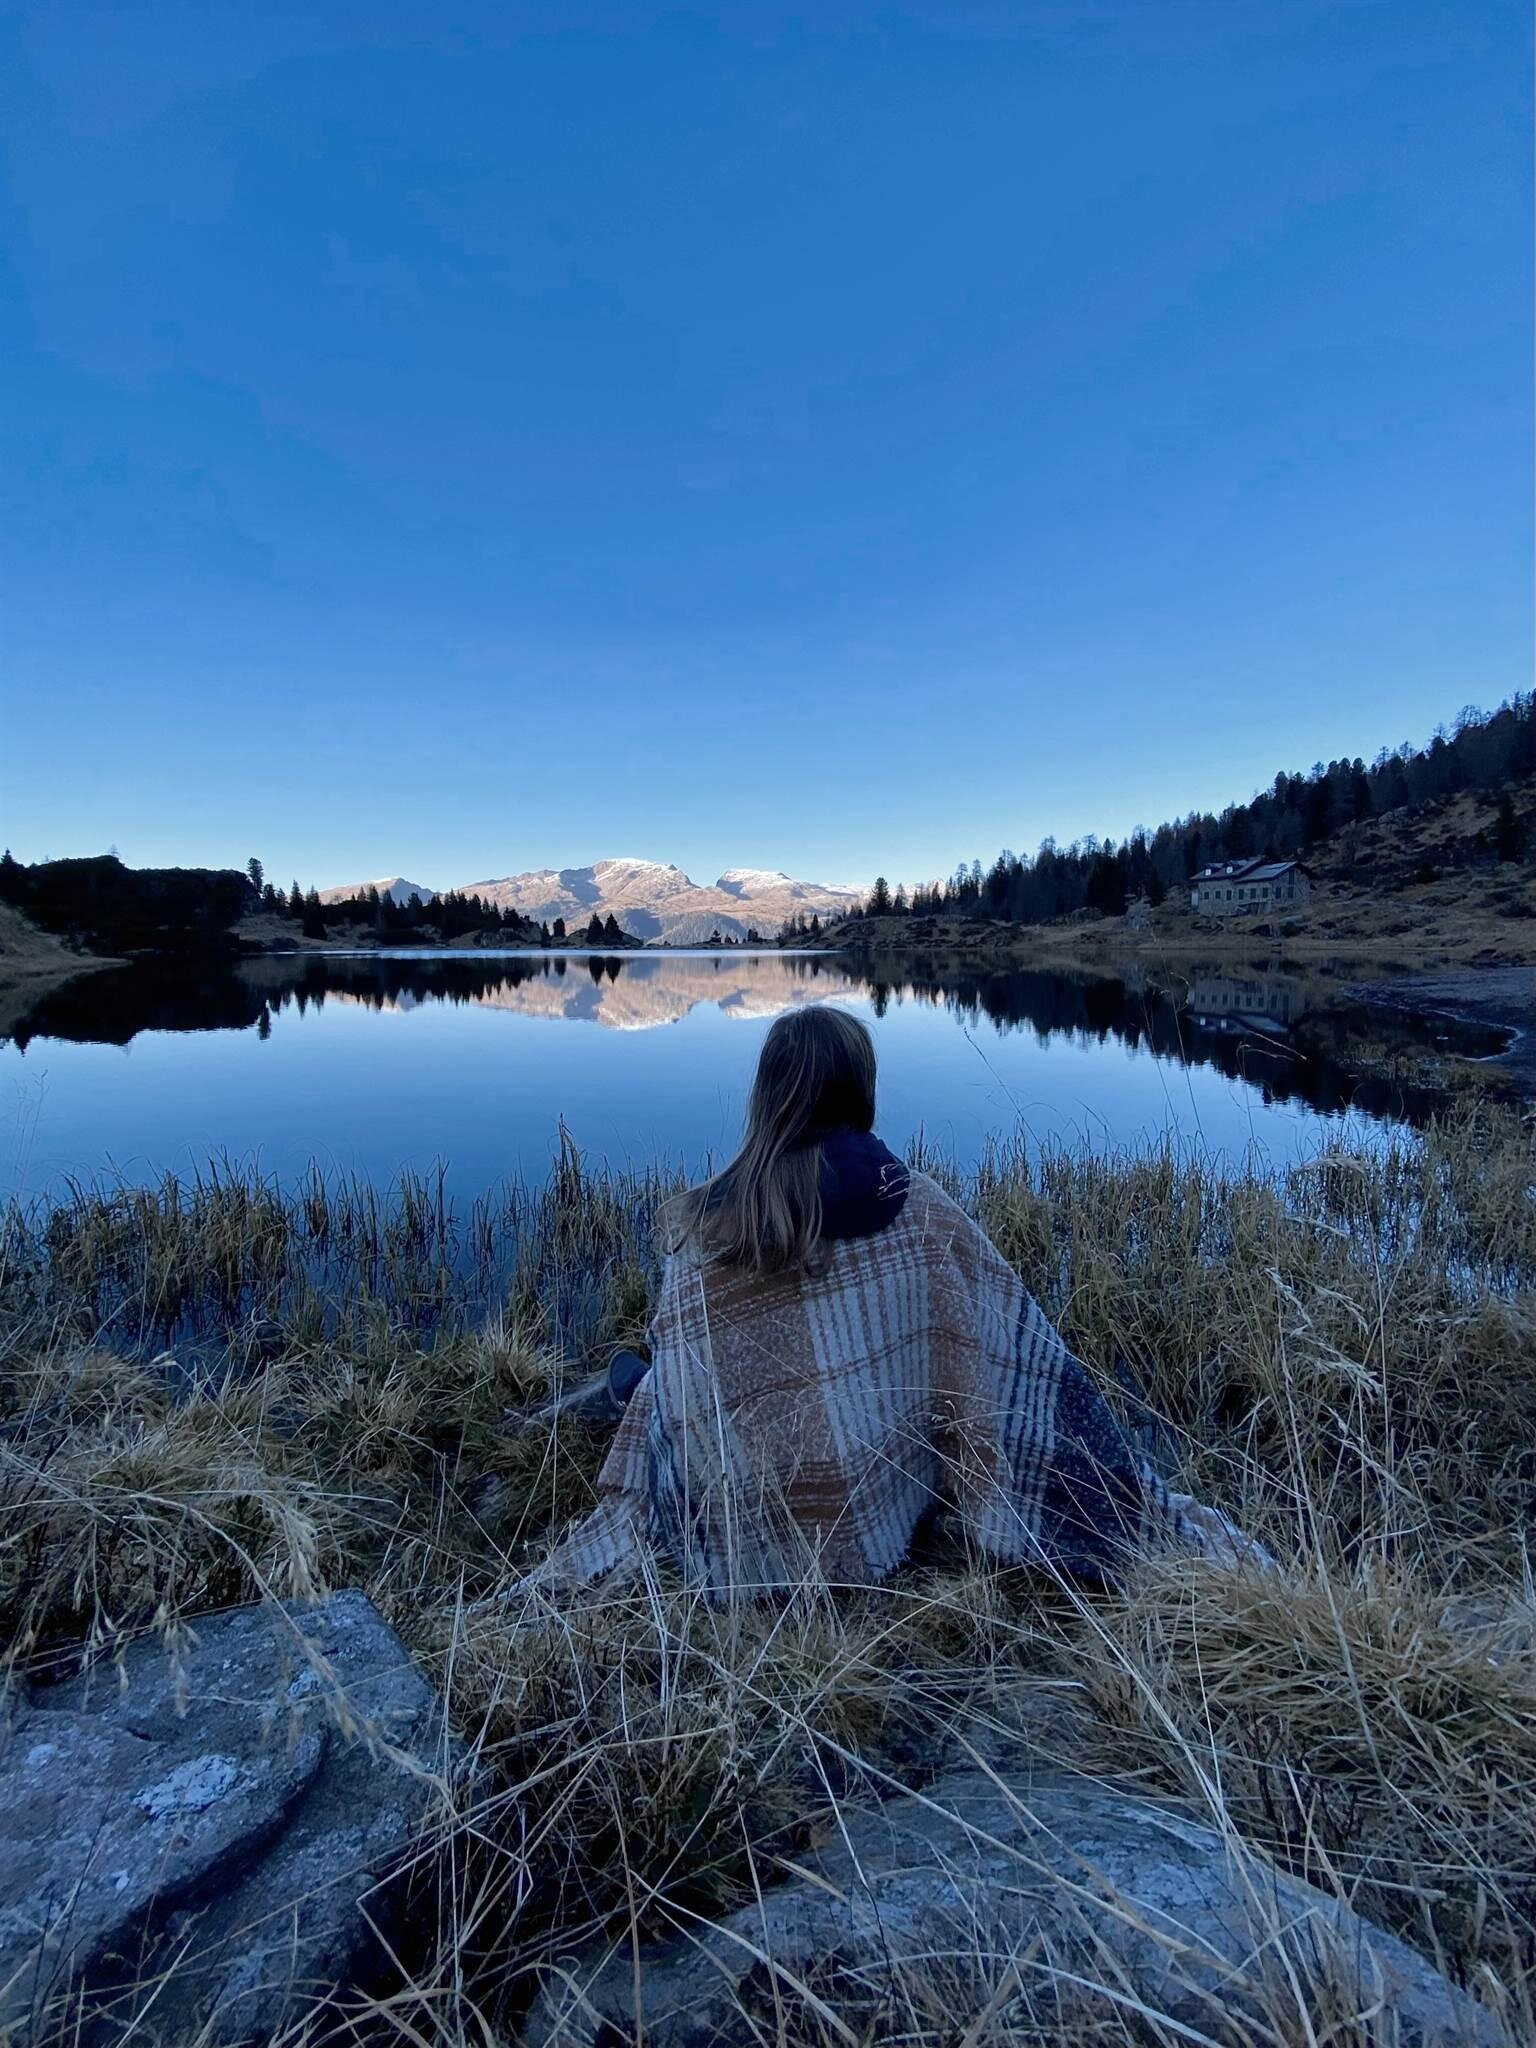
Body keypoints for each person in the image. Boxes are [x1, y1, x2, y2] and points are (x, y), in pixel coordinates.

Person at [522, 1006, 1260, 1599]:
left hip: (744, 1525)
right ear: (860, 1089)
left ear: (767, 1095)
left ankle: (612, 1392)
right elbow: (1002, 1339)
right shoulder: (919, 1205)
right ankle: (625, 1387)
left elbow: (687, 1399)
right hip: (885, 1495)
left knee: (653, 1387)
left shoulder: (706, 1223)